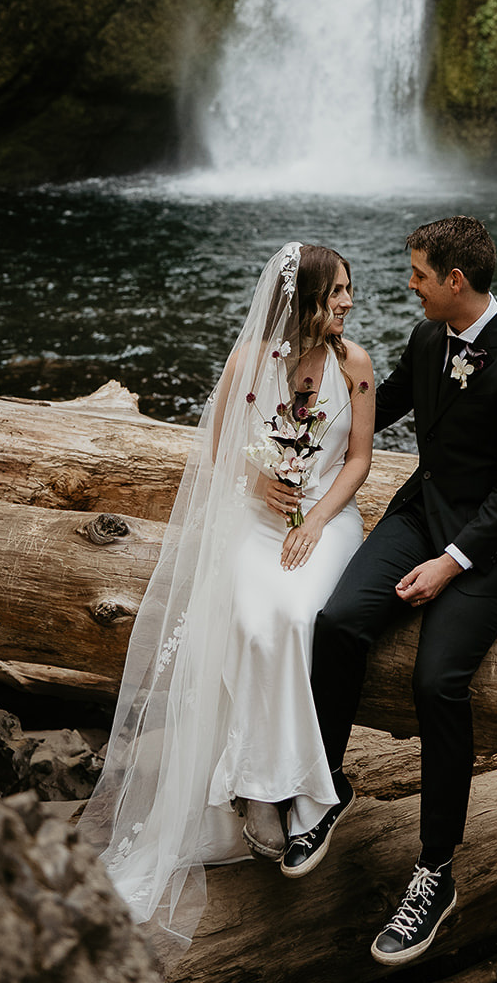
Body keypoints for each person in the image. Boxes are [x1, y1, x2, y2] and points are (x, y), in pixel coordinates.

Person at [279, 216, 497, 968]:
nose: (408, 284)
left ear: (454, 282)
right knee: (336, 622)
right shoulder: (428, 337)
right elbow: (377, 402)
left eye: (418, 274)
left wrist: (451, 564)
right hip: (418, 511)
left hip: (487, 548)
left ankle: (434, 873)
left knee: (438, 681)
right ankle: (328, 786)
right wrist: (296, 385)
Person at [80, 241, 374, 952]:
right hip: (252, 523)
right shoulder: (250, 365)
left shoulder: (354, 366)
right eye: (335, 291)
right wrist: (258, 487)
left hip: (327, 520)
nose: (347, 302)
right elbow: (220, 454)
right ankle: (266, 794)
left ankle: (295, 793)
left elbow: (359, 459)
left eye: (347, 291)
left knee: (298, 616)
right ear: (302, 300)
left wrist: (316, 521)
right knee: (251, 619)